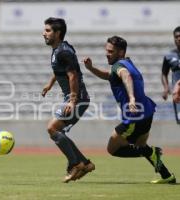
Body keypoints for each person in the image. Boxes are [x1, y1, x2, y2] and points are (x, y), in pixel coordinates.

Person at [83, 36, 176, 184]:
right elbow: (110, 76)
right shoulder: (127, 62)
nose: (106, 53)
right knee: (141, 146)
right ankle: (167, 176)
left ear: (120, 53)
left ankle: (152, 152)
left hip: (135, 117)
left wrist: (131, 98)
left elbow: (125, 77)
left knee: (112, 149)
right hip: (147, 112)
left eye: (110, 51)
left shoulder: (119, 66)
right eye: (106, 50)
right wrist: (91, 68)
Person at [42, 17, 95, 183]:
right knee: (56, 130)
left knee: (52, 128)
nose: (44, 33)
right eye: (45, 30)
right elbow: (61, 70)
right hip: (76, 98)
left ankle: (76, 163)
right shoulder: (59, 50)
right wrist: (50, 84)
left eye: (48, 30)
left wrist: (72, 101)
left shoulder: (64, 51)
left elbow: (72, 75)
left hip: (77, 98)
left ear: (58, 33)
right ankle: (85, 164)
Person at [161, 26, 180, 124]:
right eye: (176, 37)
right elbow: (164, 73)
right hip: (178, 95)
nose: (179, 38)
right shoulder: (169, 56)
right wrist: (166, 88)